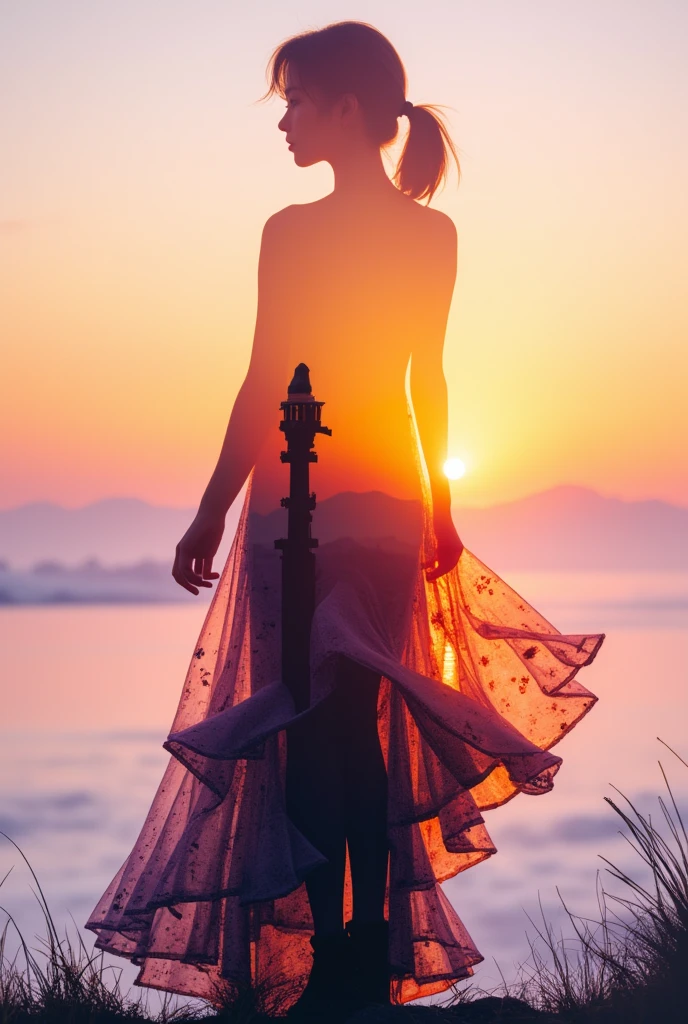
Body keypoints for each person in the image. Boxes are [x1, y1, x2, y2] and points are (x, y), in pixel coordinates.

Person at [85, 21, 604, 1022]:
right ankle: (352, 956)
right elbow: (419, 386)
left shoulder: (313, 231)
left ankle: (343, 960)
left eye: (296, 100)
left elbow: (280, 377)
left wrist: (215, 506)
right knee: (338, 732)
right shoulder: (399, 233)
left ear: (349, 108)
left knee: (318, 733)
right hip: (353, 507)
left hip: (316, 511)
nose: (284, 120)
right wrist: (433, 505)